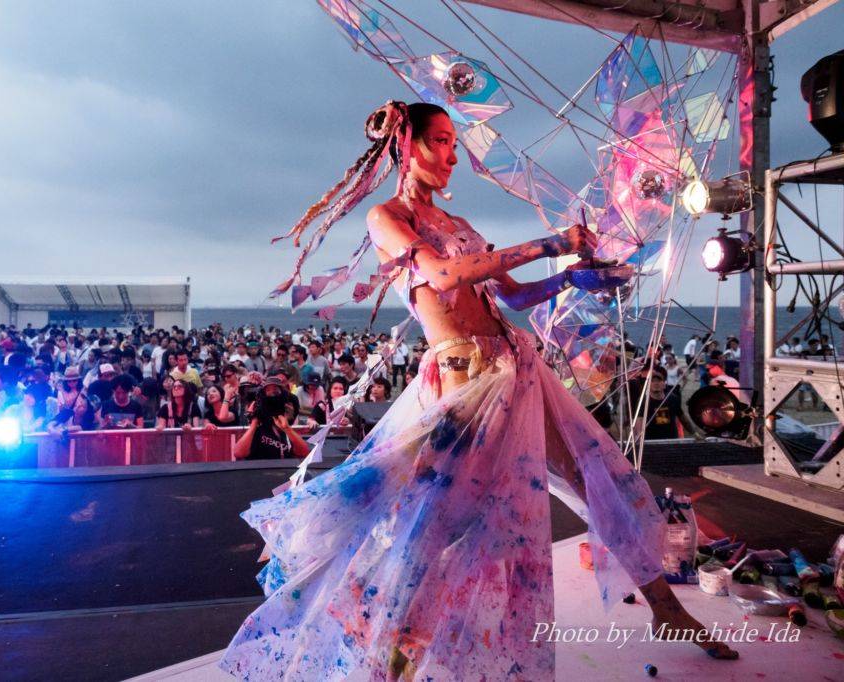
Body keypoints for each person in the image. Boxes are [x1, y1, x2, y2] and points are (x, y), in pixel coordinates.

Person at [220, 101, 735, 681]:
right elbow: (440, 277)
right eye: (439, 140)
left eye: (454, 144)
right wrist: (550, 244)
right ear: (404, 144)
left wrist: (571, 276)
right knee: (438, 525)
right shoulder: (386, 219)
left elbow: (510, 297)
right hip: (464, 382)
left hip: (516, 369)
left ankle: (666, 607)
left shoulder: (462, 227)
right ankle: (387, 656)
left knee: (598, 480)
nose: (451, 154)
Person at [233, 376, 311, 460]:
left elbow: (305, 453)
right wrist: (254, 423)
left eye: (275, 391)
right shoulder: (257, 430)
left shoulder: (288, 432)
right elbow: (238, 453)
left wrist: (287, 428)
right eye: (268, 391)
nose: (272, 395)